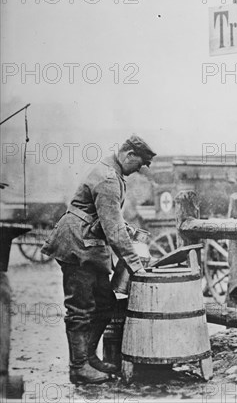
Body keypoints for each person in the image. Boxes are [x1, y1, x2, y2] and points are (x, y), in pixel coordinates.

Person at [41, 135, 156, 384]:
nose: (138, 170)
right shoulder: (108, 178)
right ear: (128, 155)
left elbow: (106, 214)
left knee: (104, 305)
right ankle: (79, 367)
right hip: (77, 245)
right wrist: (137, 266)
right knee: (80, 308)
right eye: (138, 164)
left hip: (89, 245)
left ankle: (89, 357)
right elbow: (112, 230)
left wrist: (128, 229)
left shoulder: (113, 173)